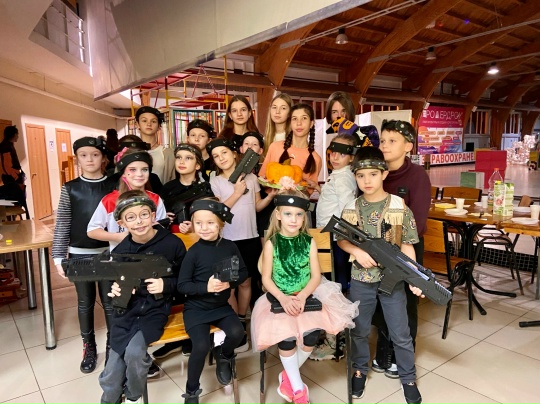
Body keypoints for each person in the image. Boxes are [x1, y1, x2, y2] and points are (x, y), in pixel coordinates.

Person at [250, 189, 358, 404]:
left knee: (311, 337)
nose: (294, 219)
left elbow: (316, 276)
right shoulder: (272, 243)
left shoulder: (309, 242)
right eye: (288, 214)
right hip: (279, 297)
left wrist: (302, 297)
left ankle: (288, 376)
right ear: (278, 215)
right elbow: (266, 279)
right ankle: (299, 391)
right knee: (287, 338)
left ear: (304, 217)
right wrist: (283, 298)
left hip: (307, 294)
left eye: (299, 214)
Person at [337, 147, 424, 404]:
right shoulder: (351, 207)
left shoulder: (398, 206)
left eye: (373, 174)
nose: (367, 180)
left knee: (401, 332)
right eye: (361, 175)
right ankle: (359, 370)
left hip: (392, 280)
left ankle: (408, 378)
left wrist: (415, 277)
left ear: (384, 174)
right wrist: (356, 251)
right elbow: (342, 239)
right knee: (360, 329)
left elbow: (407, 245)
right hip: (361, 278)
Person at [98, 190, 186, 404]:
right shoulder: (120, 251)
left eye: (144, 215)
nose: (138, 222)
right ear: (121, 223)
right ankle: (110, 399)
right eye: (131, 217)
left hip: (154, 311)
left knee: (135, 354)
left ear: (153, 215)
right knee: (112, 370)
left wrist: (165, 285)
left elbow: (186, 281)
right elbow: (113, 284)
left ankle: (132, 396)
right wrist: (115, 290)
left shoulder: (172, 244)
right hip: (126, 312)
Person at [371, 120, 431, 377]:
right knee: (382, 300)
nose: (385, 145)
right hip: (378, 248)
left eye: (392, 141)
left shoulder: (417, 176)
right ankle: (383, 351)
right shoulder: (376, 172)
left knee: (405, 303)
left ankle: (402, 355)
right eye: (383, 140)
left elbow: (418, 222)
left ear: (408, 146)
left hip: (407, 248)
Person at [52, 136, 117, 373]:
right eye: (83, 155)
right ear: (77, 159)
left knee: (110, 302)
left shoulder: (114, 186)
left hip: (108, 252)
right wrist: (58, 256)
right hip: (79, 253)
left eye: (95, 155)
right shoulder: (70, 188)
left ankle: (113, 346)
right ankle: (89, 346)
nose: (90, 159)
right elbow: (63, 223)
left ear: (103, 158)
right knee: (85, 302)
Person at [177, 199, 248, 404]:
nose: (204, 228)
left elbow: (243, 272)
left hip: (220, 307)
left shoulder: (230, 246)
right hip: (196, 309)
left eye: (210, 223)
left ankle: (223, 355)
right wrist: (205, 288)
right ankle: (192, 391)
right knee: (200, 346)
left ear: (220, 224)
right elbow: (182, 286)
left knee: (237, 332)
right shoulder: (193, 252)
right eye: (199, 223)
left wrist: (229, 283)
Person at [208, 138, 275, 351]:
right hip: (226, 240)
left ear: (235, 154)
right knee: (229, 286)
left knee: (246, 283)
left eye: (224, 153)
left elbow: (256, 207)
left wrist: (270, 196)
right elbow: (218, 211)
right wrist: (237, 192)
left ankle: (241, 321)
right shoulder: (215, 181)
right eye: (216, 156)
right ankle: (233, 327)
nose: (221, 158)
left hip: (250, 237)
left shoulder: (252, 178)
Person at [309, 134, 358, 361]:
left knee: (333, 289)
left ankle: (334, 340)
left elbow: (347, 210)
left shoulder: (344, 178)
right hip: (329, 239)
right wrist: (320, 191)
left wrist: (332, 233)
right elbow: (336, 202)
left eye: (342, 153)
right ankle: (332, 334)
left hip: (334, 241)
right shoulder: (338, 176)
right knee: (330, 287)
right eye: (333, 151)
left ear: (352, 157)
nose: (335, 156)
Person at [87, 149, 166, 251]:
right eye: (132, 170)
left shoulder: (155, 199)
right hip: (120, 257)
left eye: (145, 169)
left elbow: (162, 229)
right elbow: (92, 230)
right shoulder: (110, 200)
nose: (139, 174)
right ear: (123, 173)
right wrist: (118, 237)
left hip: (152, 255)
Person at [259, 103, 322, 192]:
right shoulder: (275, 147)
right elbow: (262, 180)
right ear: (290, 123)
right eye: (294, 119)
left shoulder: (316, 159)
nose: (299, 123)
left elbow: (308, 193)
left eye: (304, 118)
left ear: (311, 124)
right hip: (271, 200)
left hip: (296, 201)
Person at [160, 143, 213, 234]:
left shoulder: (205, 189)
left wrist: (194, 227)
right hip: (172, 237)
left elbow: (212, 219)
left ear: (197, 165)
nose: (181, 162)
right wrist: (164, 217)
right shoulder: (167, 188)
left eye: (188, 158)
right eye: (178, 157)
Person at [135, 106, 175, 184]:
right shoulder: (129, 152)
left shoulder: (168, 153)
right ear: (137, 124)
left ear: (159, 125)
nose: (149, 124)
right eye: (144, 121)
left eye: (153, 121)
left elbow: (172, 182)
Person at [0, 125, 28, 217]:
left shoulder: (8, 145)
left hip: (11, 178)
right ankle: (14, 223)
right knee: (15, 203)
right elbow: (7, 167)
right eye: (17, 134)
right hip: (11, 179)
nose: (18, 136)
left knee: (16, 202)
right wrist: (17, 177)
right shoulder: (6, 147)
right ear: (13, 135)